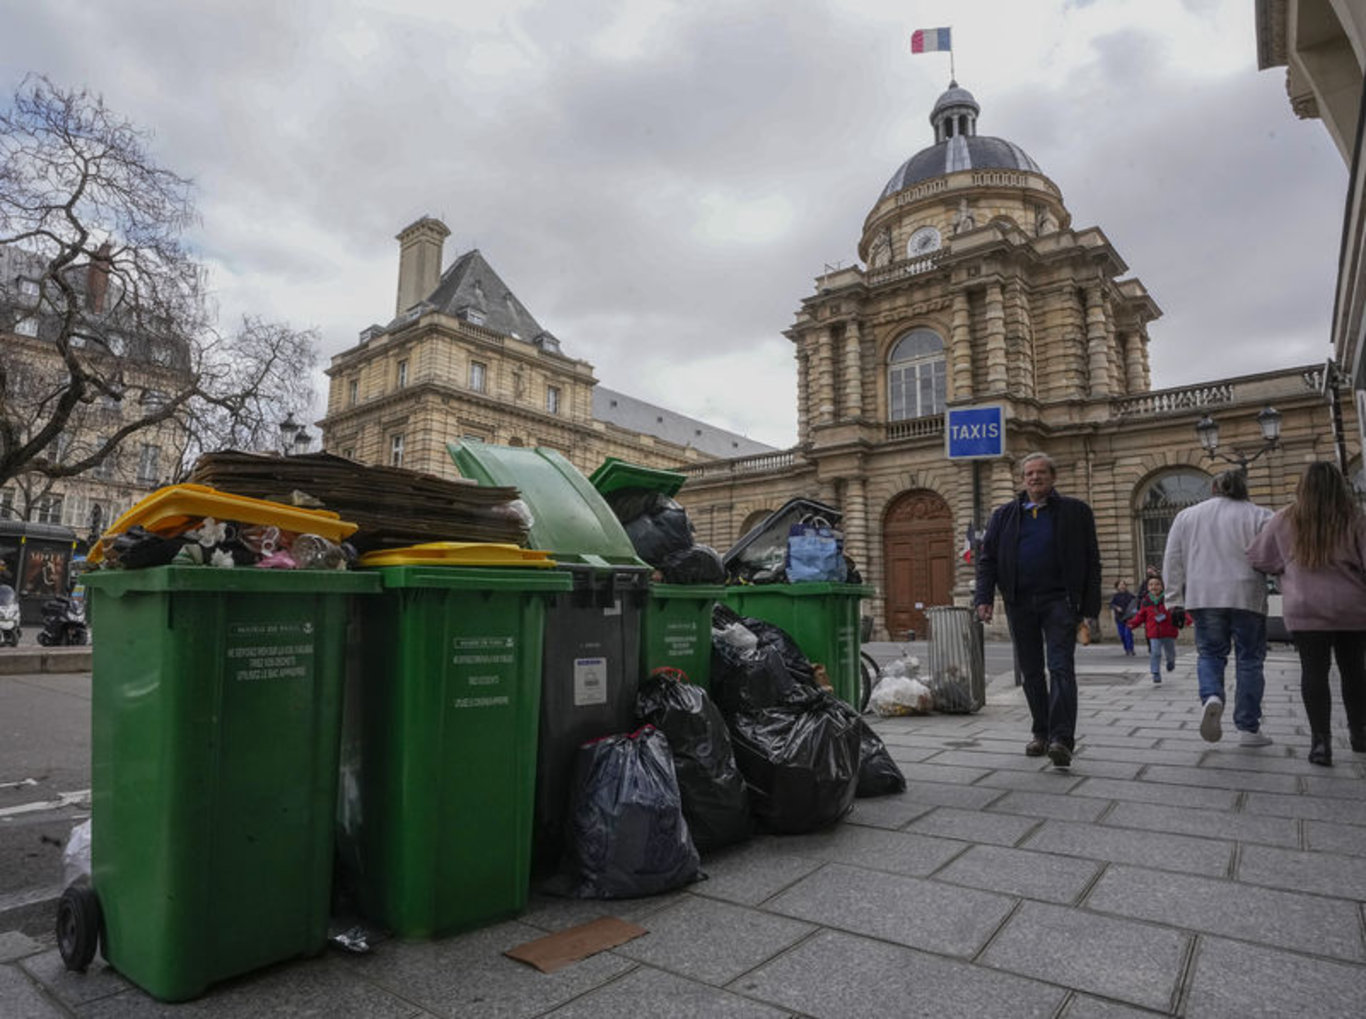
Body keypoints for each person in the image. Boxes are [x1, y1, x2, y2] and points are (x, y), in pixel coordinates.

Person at [975, 452, 1101, 768]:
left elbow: (1091, 560)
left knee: (1060, 667)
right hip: (1019, 602)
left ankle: (1061, 739)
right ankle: (1041, 732)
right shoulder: (1004, 515)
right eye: (1029, 473)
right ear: (1022, 480)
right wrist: (984, 597)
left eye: (1041, 473)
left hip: (1060, 601)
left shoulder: (1076, 512)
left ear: (1053, 477)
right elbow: (987, 559)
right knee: (1031, 671)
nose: (1035, 478)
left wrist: (1090, 608)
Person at [1247, 462, 1366, 766]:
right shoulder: (1353, 517)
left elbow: (1257, 556)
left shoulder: (1284, 518)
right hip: (1351, 608)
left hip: (1305, 607)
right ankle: (1360, 735)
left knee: (1314, 672)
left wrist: (1285, 568)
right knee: (1354, 672)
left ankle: (1320, 745)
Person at [1163, 469, 1273, 746]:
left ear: (1213, 489)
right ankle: (1249, 729)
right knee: (1249, 659)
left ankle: (1211, 696)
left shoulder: (1187, 516)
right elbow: (1274, 557)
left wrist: (1173, 600)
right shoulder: (1261, 515)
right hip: (1247, 595)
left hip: (1204, 595)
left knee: (1210, 654)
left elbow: (1172, 559)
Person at [1128, 575, 1186, 683]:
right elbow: (1140, 616)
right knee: (1155, 653)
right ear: (1148, 587)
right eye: (1151, 584)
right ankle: (1155, 673)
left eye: (1157, 584)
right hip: (1153, 632)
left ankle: (1170, 662)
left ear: (1162, 586)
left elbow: (1179, 611)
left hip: (1169, 632)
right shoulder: (1145, 601)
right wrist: (1132, 624)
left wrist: (1187, 619)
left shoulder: (1168, 599)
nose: (1154, 587)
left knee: (1170, 652)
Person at [1110, 580, 1137, 656]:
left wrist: (1134, 612)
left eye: (1123, 584)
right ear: (1117, 587)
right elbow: (1111, 605)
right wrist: (1116, 607)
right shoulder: (1115, 596)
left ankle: (1130, 649)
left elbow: (1136, 603)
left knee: (1127, 633)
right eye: (1120, 585)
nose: (1122, 586)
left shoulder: (1130, 595)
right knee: (1122, 634)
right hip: (1119, 618)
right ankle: (1126, 648)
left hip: (1128, 618)